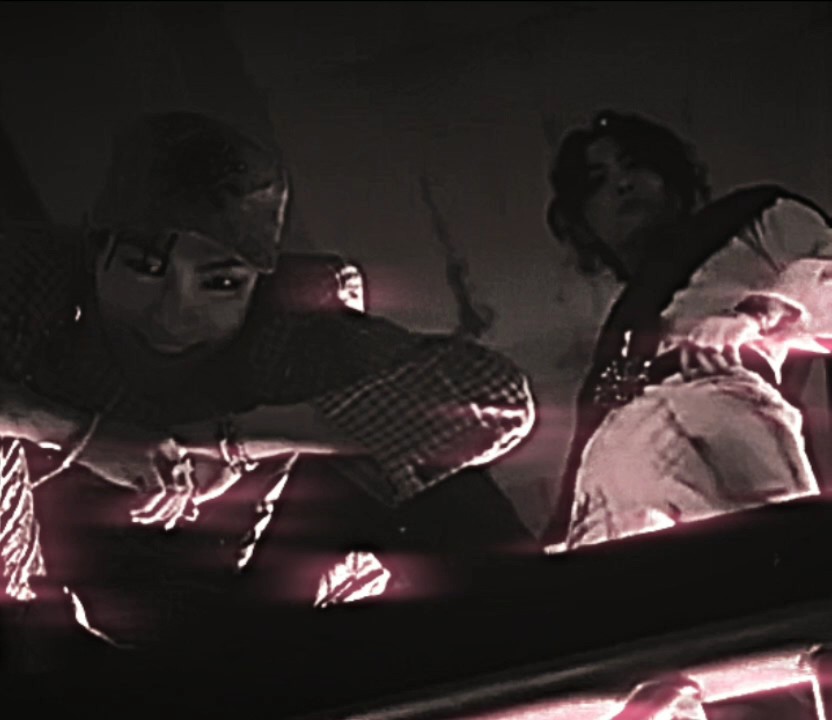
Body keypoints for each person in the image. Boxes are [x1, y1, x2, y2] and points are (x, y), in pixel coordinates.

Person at [0, 111, 537, 661]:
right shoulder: (35, 304)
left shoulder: (289, 335)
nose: (172, 315)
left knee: (433, 474)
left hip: (271, 633)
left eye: (221, 284)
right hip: (46, 644)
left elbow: (497, 401)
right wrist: (79, 435)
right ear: (97, 254)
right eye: (144, 268)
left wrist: (234, 440)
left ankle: (529, 668)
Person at [541, 110, 832, 550]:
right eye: (597, 181)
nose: (622, 184)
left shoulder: (755, 218)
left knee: (774, 556)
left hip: (715, 399)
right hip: (614, 451)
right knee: (618, 582)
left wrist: (756, 316)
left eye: (635, 165)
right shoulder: (620, 330)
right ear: (584, 221)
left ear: (672, 178)